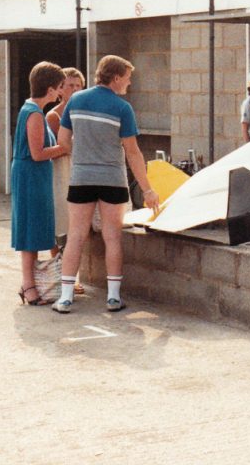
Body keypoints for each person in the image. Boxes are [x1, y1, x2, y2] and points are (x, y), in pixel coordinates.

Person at [52, 55, 159, 314]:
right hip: (113, 180)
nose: (129, 83)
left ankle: (65, 298)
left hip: (81, 178)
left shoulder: (75, 100)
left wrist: (85, 152)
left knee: (76, 235)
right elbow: (133, 152)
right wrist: (147, 189)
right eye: (128, 78)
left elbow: (63, 141)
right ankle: (113, 297)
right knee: (112, 237)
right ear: (116, 78)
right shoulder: (123, 108)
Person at [11, 62, 67, 306]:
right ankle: (29, 285)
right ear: (51, 89)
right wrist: (63, 148)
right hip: (31, 175)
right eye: (60, 88)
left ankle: (30, 283)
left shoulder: (32, 110)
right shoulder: (34, 114)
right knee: (31, 229)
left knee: (32, 228)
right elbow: (37, 153)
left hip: (32, 176)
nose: (60, 93)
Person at [46, 67, 86, 293]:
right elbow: (60, 146)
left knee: (77, 227)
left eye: (77, 85)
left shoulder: (85, 110)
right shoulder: (54, 116)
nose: (73, 89)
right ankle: (60, 273)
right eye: (69, 85)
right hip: (61, 172)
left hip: (81, 172)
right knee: (60, 225)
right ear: (60, 90)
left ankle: (71, 275)